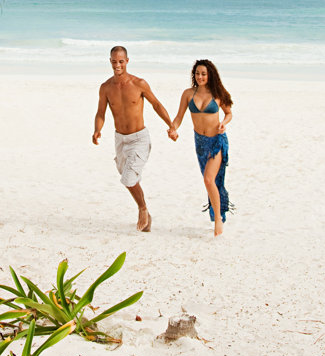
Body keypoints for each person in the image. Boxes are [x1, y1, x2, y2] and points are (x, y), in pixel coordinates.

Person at [93, 45, 177, 232]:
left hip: (139, 138)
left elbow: (156, 104)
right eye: (114, 61)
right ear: (110, 61)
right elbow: (100, 113)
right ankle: (147, 219)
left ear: (127, 61)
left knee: (129, 178)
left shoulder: (139, 83)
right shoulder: (106, 87)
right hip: (120, 140)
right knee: (128, 177)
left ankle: (142, 208)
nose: (117, 65)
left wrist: (170, 125)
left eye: (121, 61)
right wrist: (97, 130)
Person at [169, 58, 233, 236]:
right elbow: (179, 117)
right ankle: (217, 213)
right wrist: (173, 128)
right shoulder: (188, 94)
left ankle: (218, 220)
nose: (200, 76)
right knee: (211, 182)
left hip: (216, 141)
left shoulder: (218, 93)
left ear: (210, 75)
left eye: (203, 74)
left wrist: (224, 123)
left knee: (209, 180)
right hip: (200, 143)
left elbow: (228, 113)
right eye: (197, 73)